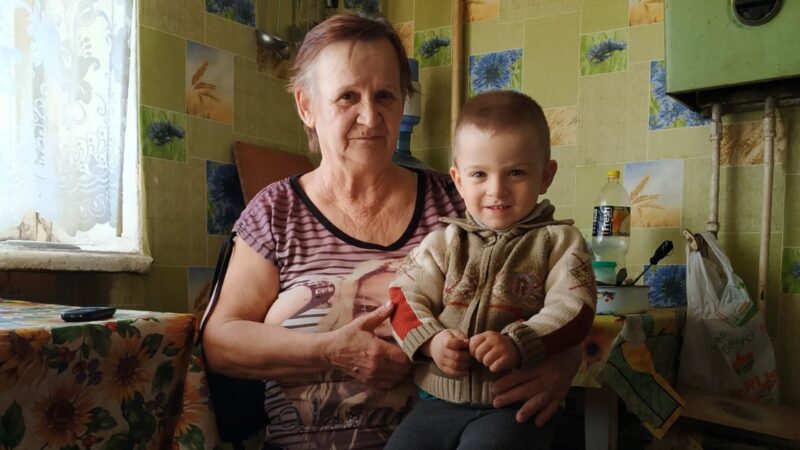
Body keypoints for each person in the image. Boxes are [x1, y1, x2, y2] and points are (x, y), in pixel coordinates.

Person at [202, 13, 583, 450]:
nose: (371, 116)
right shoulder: (275, 212)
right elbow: (220, 341)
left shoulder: (460, 202)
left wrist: (562, 361)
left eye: (385, 94)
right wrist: (330, 350)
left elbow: (555, 284)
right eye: (347, 97)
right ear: (306, 106)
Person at [385, 91, 596, 450]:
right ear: (458, 180)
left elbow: (575, 308)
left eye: (515, 172)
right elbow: (403, 296)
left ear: (546, 176)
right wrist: (433, 340)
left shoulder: (560, 243)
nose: (497, 190)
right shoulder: (442, 243)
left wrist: (518, 342)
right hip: (435, 404)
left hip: (511, 405)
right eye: (479, 174)